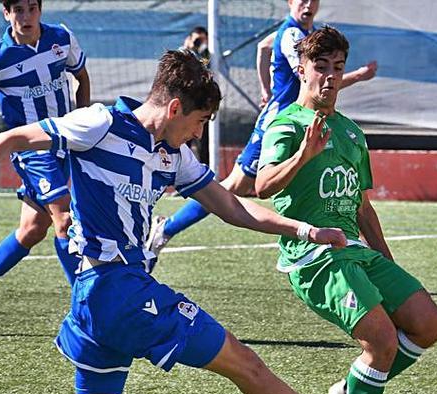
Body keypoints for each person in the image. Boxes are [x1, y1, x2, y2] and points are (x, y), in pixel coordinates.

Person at [0, 50, 404, 394]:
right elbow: (15, 136)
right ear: (174, 109)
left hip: (101, 299)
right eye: (199, 122)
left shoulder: (172, 154)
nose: (198, 133)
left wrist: (305, 230)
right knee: (243, 362)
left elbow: (234, 208)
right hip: (117, 289)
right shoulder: (100, 123)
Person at [255, 26, 437, 394]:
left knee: (429, 323)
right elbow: (263, 185)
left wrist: (388, 262)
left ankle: (353, 388)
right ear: (302, 70)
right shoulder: (287, 124)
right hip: (315, 256)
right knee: (381, 341)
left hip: (357, 251)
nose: (329, 76)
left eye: (337, 68)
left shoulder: (350, 131)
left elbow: (362, 206)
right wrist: (304, 156)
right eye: (320, 66)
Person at [146, 0, 378, 270]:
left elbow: (263, 47)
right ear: (290, 2)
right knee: (231, 188)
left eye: (313, 0)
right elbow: (313, 79)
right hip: (278, 127)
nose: (308, 5)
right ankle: (166, 229)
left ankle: (355, 246)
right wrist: (358, 76)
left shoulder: (302, 32)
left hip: (302, 123)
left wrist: (266, 89)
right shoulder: (292, 34)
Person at [0, 0, 91, 328]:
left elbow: (82, 78)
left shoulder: (62, 38)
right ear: (7, 13)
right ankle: (87, 311)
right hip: (32, 152)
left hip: (63, 143)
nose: (25, 17)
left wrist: (84, 127)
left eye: (31, 8)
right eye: (18, 9)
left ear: (40, 10)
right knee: (64, 220)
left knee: (31, 230)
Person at [180, 26, 211, 164]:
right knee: (182, 141)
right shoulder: (182, 54)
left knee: (204, 144)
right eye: (197, 40)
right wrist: (189, 47)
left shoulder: (206, 57)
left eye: (202, 40)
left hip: (201, 105)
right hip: (185, 106)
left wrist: (205, 50)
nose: (199, 43)